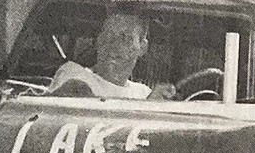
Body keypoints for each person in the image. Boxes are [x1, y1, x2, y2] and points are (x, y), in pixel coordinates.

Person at [47, 6, 175, 100]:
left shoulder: (143, 92)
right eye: (108, 36)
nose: (114, 45)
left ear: (142, 48)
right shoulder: (74, 74)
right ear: (99, 41)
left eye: (125, 38)